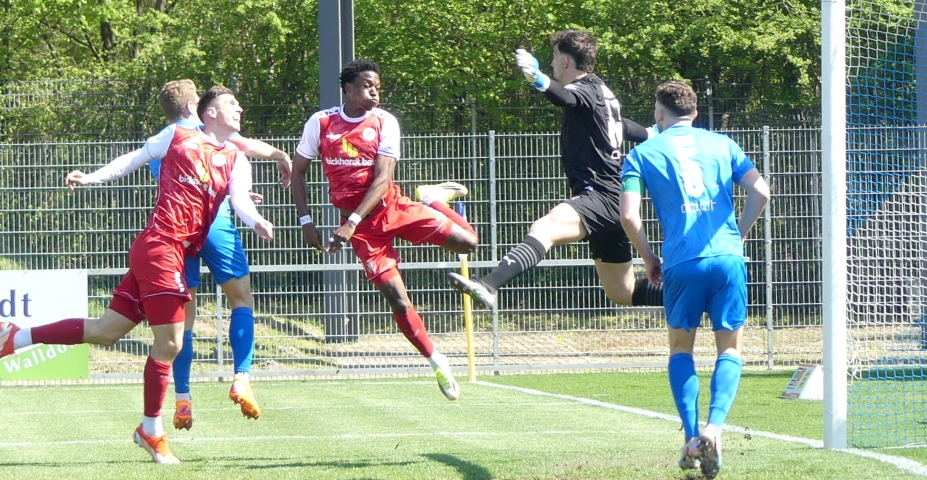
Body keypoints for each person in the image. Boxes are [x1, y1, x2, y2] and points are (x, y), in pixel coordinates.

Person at [0, 85, 276, 465]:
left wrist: (256, 221)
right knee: (169, 343)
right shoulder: (179, 135)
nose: (239, 108)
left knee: (106, 331)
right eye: (231, 103)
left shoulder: (235, 157)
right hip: (160, 246)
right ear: (209, 112)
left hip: (166, 252)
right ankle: (150, 430)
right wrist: (92, 178)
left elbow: (239, 199)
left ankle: (15, 338)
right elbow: (132, 159)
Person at [290, 59, 476, 400]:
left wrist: (350, 222)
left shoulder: (384, 121)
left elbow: (381, 179)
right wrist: (306, 221)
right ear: (347, 88)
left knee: (468, 243)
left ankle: (433, 199)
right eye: (366, 85)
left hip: (391, 207)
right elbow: (297, 171)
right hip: (363, 230)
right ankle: (437, 360)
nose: (374, 91)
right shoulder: (321, 123)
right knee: (398, 301)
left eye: (377, 85)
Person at [450, 29, 660, 311]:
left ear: (565, 62)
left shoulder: (583, 90)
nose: (550, 63)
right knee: (622, 291)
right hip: (613, 198)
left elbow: (565, 97)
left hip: (599, 194)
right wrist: (650, 134)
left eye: (553, 58)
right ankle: (695, 294)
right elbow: (620, 125)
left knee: (544, 228)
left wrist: (539, 79)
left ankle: (488, 285)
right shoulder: (603, 92)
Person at [621, 80, 770, 478]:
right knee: (731, 350)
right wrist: (738, 233)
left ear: (658, 113)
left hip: (681, 263)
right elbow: (761, 191)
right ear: (695, 114)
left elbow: (629, 217)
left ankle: (690, 436)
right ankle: (714, 429)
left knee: (681, 349)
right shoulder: (723, 144)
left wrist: (649, 256)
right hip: (726, 258)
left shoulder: (642, 153)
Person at [155, 82, 291, 429]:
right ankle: (241, 378)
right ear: (193, 108)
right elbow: (242, 146)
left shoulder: (164, 139)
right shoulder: (208, 134)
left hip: (177, 231)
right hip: (214, 226)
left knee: (184, 318)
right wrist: (278, 156)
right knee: (241, 299)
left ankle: (183, 398)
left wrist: (234, 191)